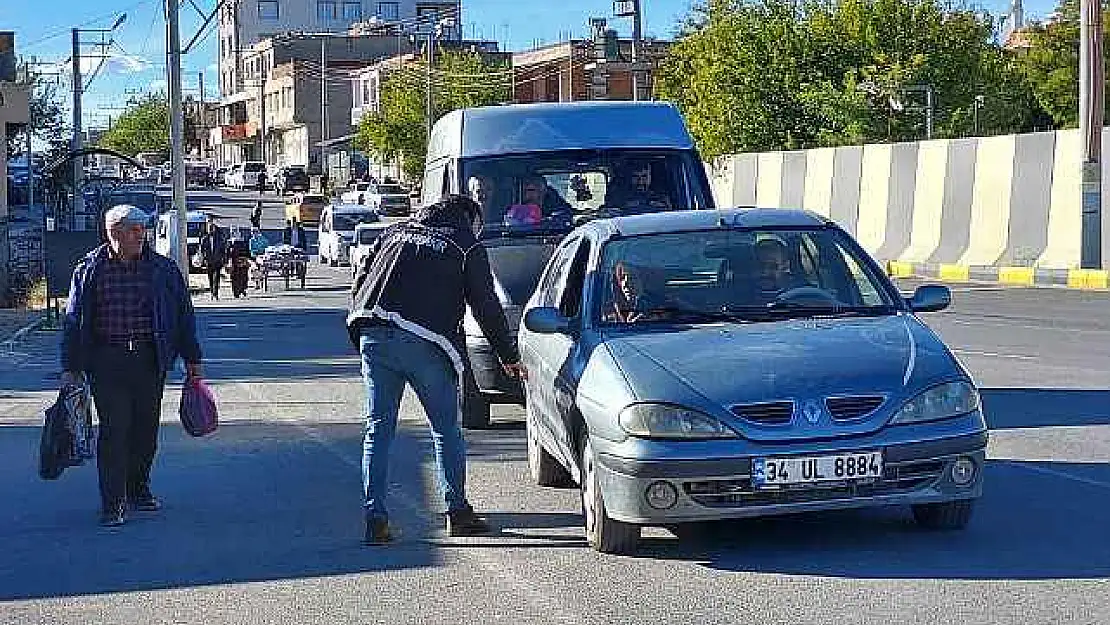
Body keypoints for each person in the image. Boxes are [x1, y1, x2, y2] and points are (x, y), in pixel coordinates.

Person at [347, 194, 526, 545]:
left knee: (378, 430)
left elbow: (361, 279)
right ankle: (457, 512)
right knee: (445, 429)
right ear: (469, 217)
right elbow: (486, 304)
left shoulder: (396, 232)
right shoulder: (465, 246)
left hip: (373, 333)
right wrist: (507, 353)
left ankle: (375, 517)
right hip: (425, 341)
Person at [60, 204, 203, 527]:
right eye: (134, 230)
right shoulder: (90, 269)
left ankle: (137, 487)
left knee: (145, 432)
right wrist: (70, 366)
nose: (142, 236)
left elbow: (183, 317)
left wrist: (194, 360)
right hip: (106, 361)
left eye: (143, 229)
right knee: (114, 430)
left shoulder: (162, 269)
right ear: (114, 233)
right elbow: (73, 321)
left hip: (148, 359)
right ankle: (113, 501)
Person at [198, 220, 227, 299]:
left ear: (214, 229)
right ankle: (212, 292)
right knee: (210, 277)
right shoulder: (204, 239)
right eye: (209, 228)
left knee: (216, 277)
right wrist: (203, 258)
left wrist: (224, 259)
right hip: (208, 261)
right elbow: (201, 250)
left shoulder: (219, 238)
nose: (211, 229)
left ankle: (215, 293)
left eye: (212, 228)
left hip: (217, 261)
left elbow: (223, 249)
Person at [226, 233, 251, 298]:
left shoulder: (231, 244)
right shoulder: (231, 244)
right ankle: (240, 290)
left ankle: (238, 291)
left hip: (238, 263)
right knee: (240, 277)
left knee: (238, 278)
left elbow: (228, 255)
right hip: (237, 264)